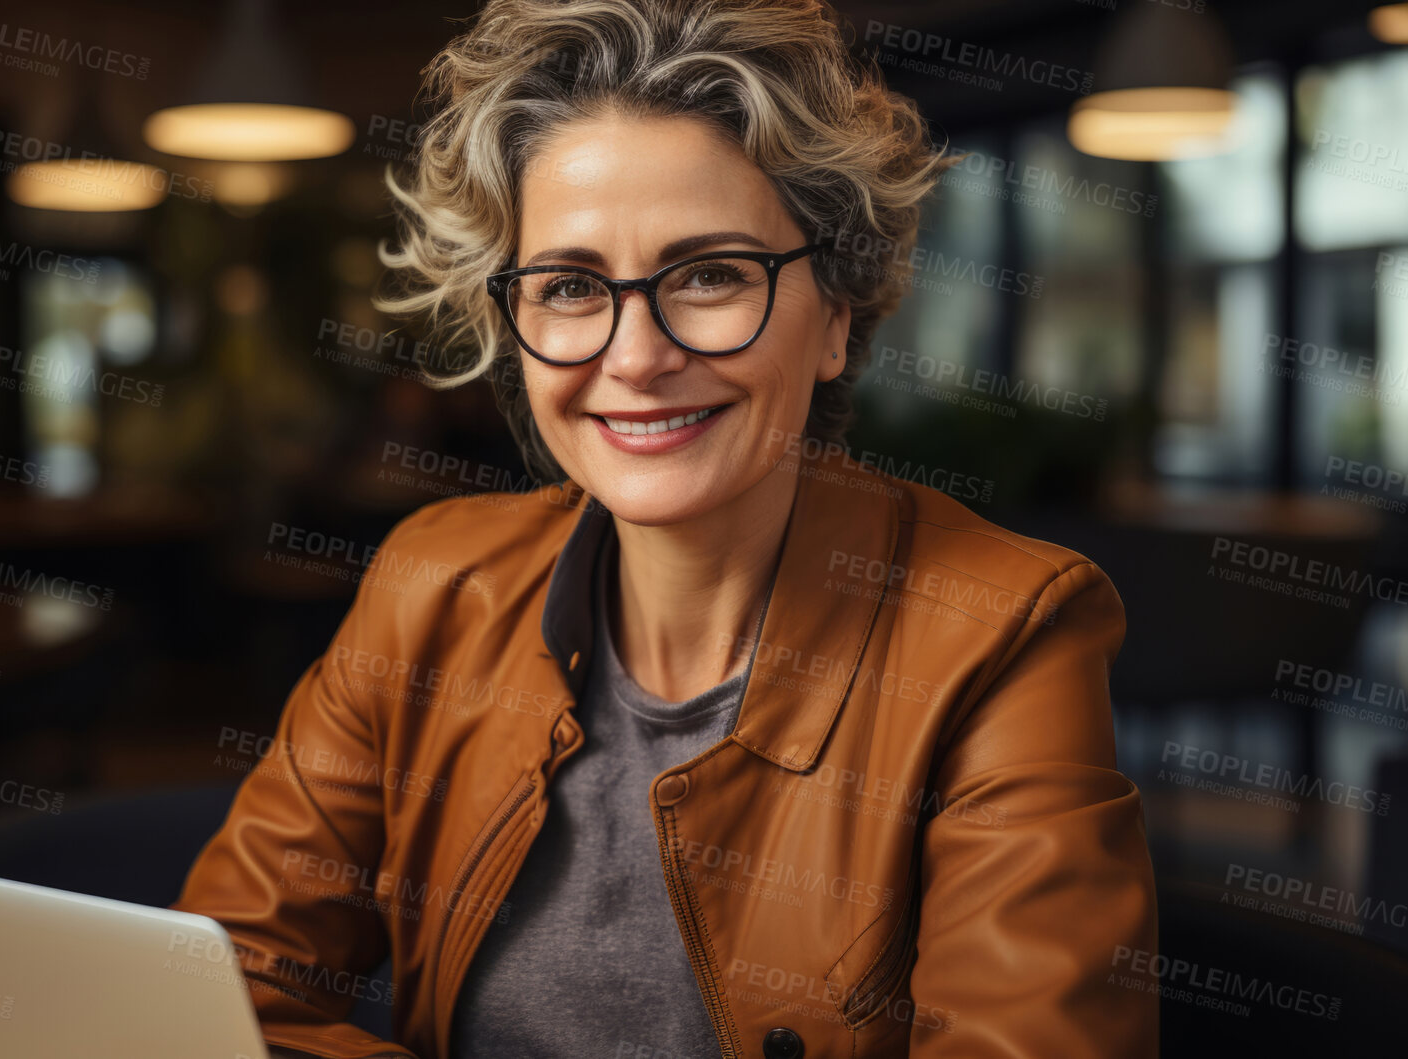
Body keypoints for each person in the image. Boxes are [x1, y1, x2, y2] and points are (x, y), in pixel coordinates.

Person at [173, 1, 1159, 1056]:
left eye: (709, 275)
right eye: (566, 286)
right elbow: (218, 992)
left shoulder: (1005, 630)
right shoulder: (433, 584)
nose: (633, 356)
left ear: (835, 311)